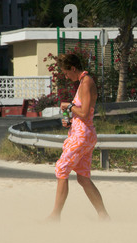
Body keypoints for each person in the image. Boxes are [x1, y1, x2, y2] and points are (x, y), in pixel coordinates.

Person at [47, 53, 109, 222]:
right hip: (83, 134)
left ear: (73, 68)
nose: (66, 77)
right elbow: (81, 113)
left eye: (66, 73)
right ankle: (103, 216)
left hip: (82, 135)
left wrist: (69, 106)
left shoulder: (87, 82)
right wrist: (69, 119)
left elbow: (83, 111)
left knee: (61, 169)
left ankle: (55, 216)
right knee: (82, 178)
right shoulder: (83, 81)